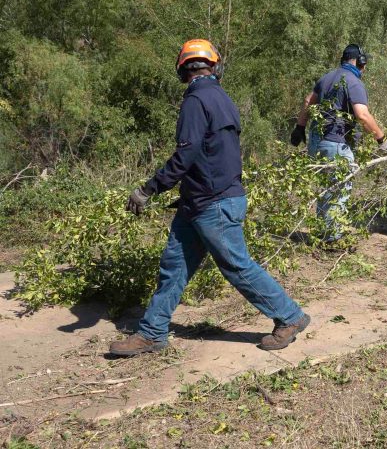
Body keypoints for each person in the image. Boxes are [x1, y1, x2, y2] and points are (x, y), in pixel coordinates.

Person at [110, 39, 310, 356]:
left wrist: (149, 188)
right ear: (213, 66)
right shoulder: (222, 99)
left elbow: (186, 154)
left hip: (212, 202)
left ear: (182, 69)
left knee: (236, 265)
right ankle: (152, 333)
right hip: (201, 201)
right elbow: (212, 154)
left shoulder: (195, 101)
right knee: (174, 267)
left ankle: (290, 317)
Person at [290, 44, 387, 241]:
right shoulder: (353, 82)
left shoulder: (327, 77)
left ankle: (323, 233)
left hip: (317, 142)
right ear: (359, 62)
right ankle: (331, 239)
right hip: (336, 144)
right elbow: (362, 115)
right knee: (338, 192)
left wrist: (300, 128)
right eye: (364, 63)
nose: (365, 67)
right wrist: (382, 139)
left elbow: (308, 101)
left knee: (327, 190)